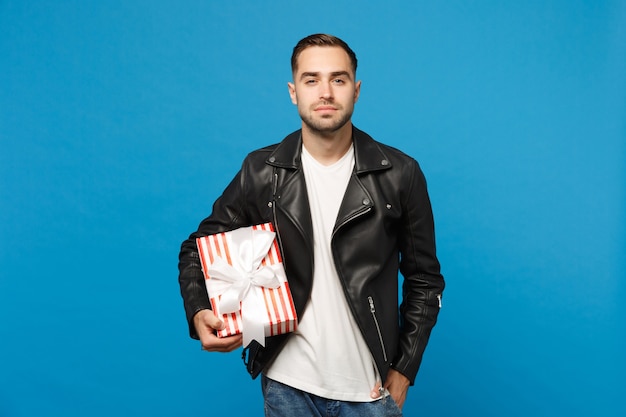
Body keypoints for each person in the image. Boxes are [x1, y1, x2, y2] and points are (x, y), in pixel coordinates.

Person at [178, 33, 445, 417]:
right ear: (293, 91)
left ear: (356, 90)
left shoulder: (400, 174)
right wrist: (199, 309)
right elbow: (197, 248)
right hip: (288, 386)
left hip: (368, 392)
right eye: (311, 79)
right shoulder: (262, 170)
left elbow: (425, 281)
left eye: (338, 80)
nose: (325, 92)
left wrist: (404, 369)